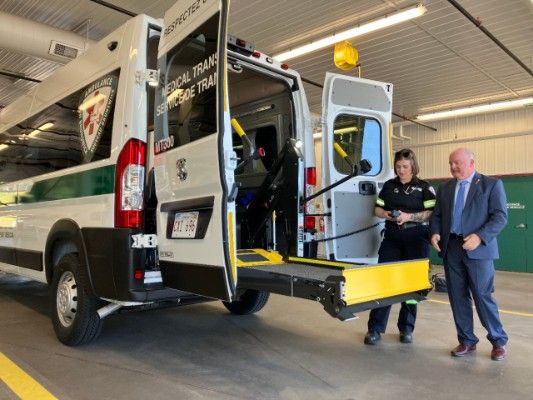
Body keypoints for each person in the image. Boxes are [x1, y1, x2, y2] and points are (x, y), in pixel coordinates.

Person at [430, 148, 508, 361]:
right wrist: (435, 232)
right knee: (457, 296)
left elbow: (500, 217)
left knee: (483, 296)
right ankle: (466, 340)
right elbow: (437, 215)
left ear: (471, 163)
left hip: (478, 249)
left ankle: (498, 341)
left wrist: (480, 237)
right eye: (450, 163)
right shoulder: (445, 188)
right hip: (451, 248)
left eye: (457, 163)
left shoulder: (490, 185)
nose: (453, 167)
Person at [364, 148, 435, 345]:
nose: (401, 170)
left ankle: (406, 329)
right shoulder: (388, 186)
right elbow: (377, 208)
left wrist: (409, 216)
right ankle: (375, 329)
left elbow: (431, 213)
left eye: (405, 166)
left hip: (417, 237)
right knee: (384, 282)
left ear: (413, 165)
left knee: (412, 286)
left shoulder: (424, 187)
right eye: (398, 166)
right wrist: (386, 215)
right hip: (393, 237)